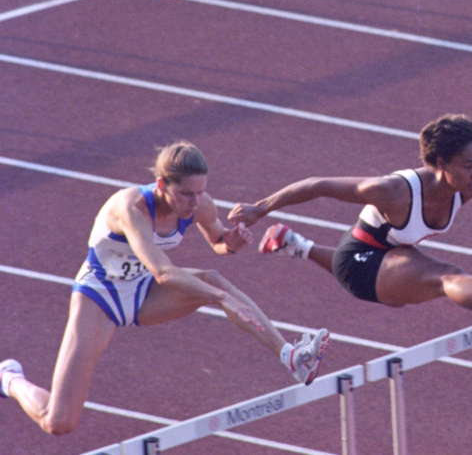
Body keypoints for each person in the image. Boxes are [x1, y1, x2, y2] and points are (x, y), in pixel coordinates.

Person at [0, 141, 330, 436]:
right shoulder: (131, 208)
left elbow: (216, 240)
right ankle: (10, 379)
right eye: (186, 193)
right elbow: (163, 272)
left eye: (201, 192)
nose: (195, 202)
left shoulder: (200, 204)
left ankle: (292, 357)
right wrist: (221, 298)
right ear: (161, 185)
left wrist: (229, 243)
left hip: (142, 292)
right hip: (100, 297)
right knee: (58, 422)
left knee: (212, 277)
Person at [227, 114, 472, 326]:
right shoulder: (395, 190)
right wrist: (261, 207)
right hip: (358, 265)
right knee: (446, 276)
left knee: (415, 268)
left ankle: (295, 244)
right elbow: (320, 185)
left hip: (387, 254)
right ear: (441, 161)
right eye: (469, 166)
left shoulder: (471, 184)